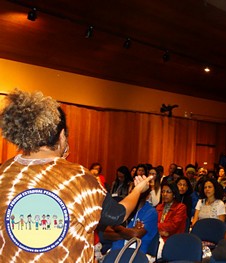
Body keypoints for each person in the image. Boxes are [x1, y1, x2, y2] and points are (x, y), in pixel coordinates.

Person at [0, 89, 152, 262]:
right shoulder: (77, 176)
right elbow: (117, 215)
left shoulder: (4, 171)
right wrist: (138, 189)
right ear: (62, 134)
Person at [103, 188, 158, 255]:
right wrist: (129, 233)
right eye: (132, 191)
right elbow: (106, 234)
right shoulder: (124, 208)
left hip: (135, 255)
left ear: (147, 196)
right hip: (115, 252)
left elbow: (136, 235)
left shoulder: (151, 212)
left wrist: (116, 227)